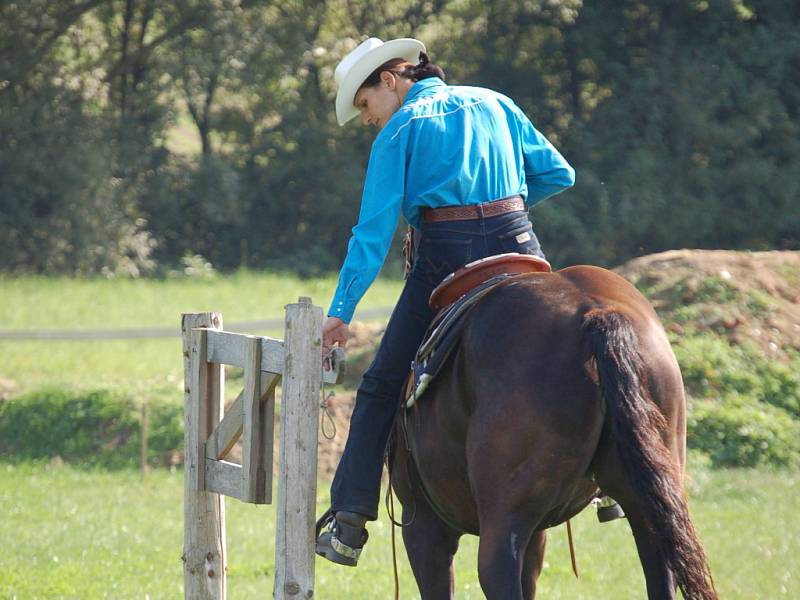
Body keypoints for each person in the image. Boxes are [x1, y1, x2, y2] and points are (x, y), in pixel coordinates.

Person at [315, 37, 575, 567]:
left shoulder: (399, 132)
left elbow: (371, 236)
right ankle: (610, 475)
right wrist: (501, 206)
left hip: (445, 257)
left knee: (382, 383)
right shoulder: (497, 102)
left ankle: (349, 519)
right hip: (520, 242)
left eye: (365, 105)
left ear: (390, 80)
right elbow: (558, 174)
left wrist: (340, 313)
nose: (368, 119)